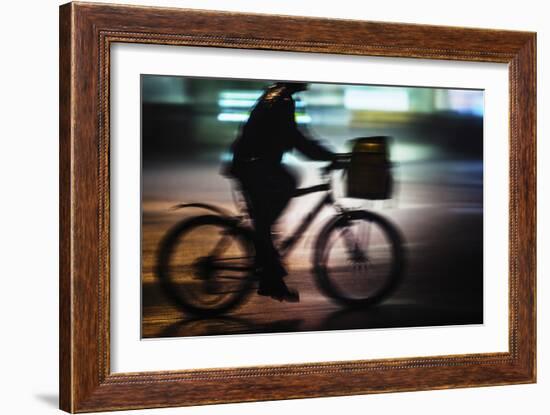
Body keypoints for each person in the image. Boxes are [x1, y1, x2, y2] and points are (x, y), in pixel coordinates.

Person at [225, 82, 336, 302]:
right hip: (254, 165)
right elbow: (294, 138)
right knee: (280, 194)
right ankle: (268, 267)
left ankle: (267, 265)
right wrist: (329, 156)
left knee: (282, 190)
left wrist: (323, 153)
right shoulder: (282, 100)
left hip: (253, 163)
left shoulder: (275, 95)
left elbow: (294, 136)